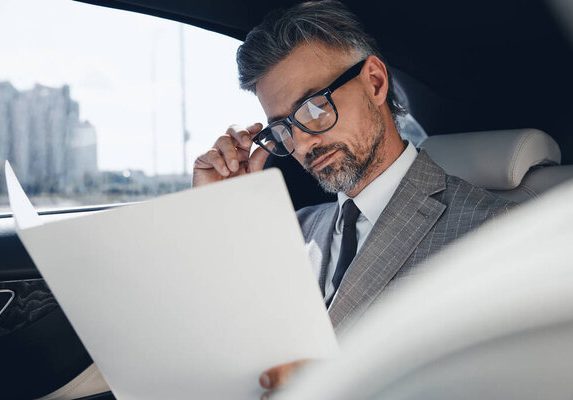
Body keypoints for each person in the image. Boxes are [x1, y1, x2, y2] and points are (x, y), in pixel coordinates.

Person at [192, 0, 514, 394]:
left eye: (314, 107)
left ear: (375, 82)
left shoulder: (500, 235)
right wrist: (215, 215)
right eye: (283, 128)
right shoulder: (292, 230)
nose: (304, 140)